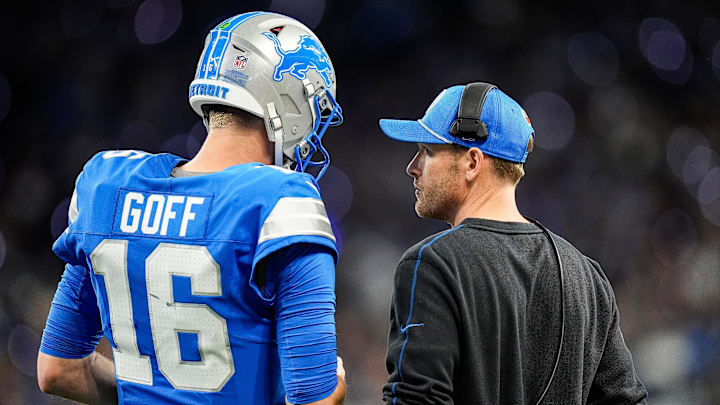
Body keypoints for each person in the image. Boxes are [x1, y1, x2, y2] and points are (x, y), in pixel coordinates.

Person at [37, 11, 346, 405]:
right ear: (289, 104)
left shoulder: (106, 187)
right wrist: (332, 391)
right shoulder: (281, 201)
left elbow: (57, 369)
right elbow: (313, 399)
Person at [378, 82, 648, 404]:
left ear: (472, 162)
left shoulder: (433, 265)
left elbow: (417, 401)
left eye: (427, 151)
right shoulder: (587, 277)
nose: (413, 167)